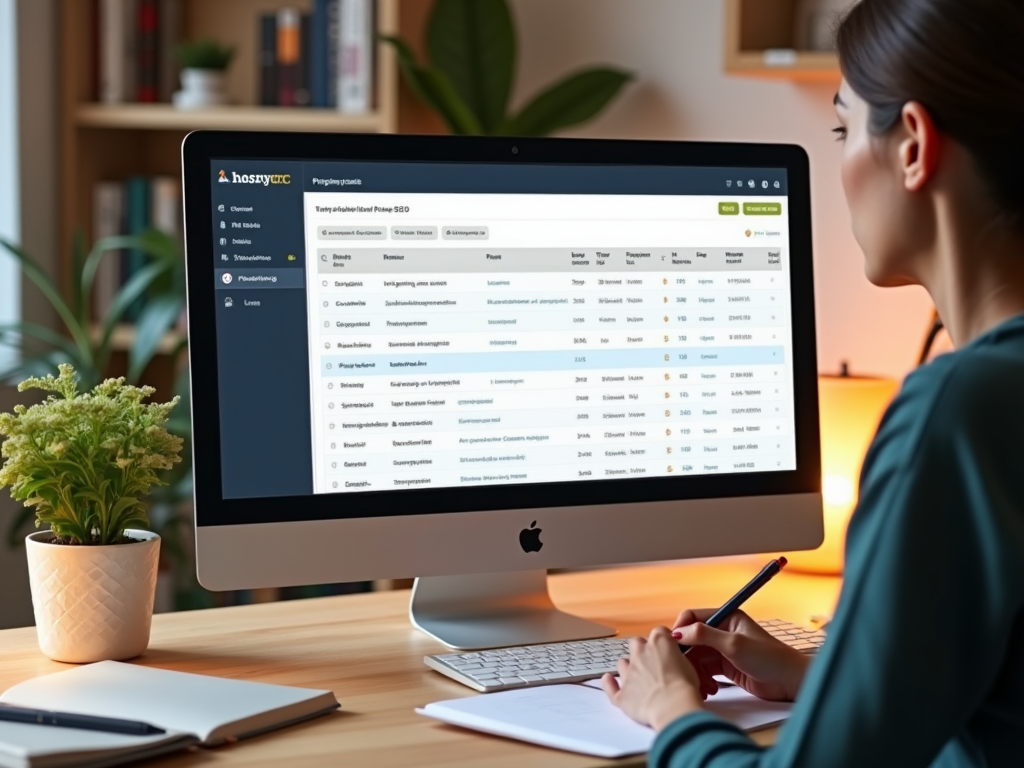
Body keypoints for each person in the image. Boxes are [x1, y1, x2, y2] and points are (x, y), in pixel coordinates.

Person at [601, 0, 1024, 766]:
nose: (837, 162)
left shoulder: (959, 411)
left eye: (843, 127)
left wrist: (673, 713)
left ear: (913, 147)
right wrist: (824, 676)